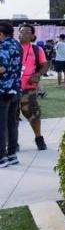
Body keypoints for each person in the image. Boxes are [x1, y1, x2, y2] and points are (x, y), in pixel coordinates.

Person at [18, 25, 48, 150]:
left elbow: (45, 64)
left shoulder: (37, 49)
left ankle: (39, 138)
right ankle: (13, 142)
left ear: (32, 36)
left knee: (33, 113)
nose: (22, 34)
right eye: (20, 32)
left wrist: (38, 74)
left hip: (28, 87)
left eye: (26, 32)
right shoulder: (12, 48)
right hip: (12, 87)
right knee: (11, 116)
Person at [0, 22, 23, 168]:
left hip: (3, 90)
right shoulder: (17, 45)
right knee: (12, 123)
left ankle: (1, 157)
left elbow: (2, 68)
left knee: (1, 124)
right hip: (15, 89)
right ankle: (12, 154)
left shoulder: (2, 47)